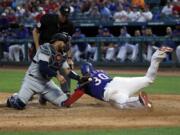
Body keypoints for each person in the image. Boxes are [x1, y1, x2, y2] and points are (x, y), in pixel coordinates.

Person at [62, 46, 173, 109]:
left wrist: (66, 103)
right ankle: (156, 55)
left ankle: (139, 101)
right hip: (120, 81)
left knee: (121, 105)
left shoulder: (83, 82)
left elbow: (77, 95)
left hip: (111, 91)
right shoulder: (100, 71)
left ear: (82, 73)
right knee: (148, 79)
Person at [6, 33, 84, 110]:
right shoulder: (46, 48)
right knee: (20, 104)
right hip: (32, 81)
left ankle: (44, 97)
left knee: (66, 103)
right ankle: (14, 97)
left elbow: (68, 71)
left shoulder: (62, 54)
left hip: (46, 84)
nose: (67, 45)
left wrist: (79, 78)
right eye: (65, 42)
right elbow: (43, 68)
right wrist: (57, 76)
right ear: (57, 41)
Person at [32, 4, 75, 96]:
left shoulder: (70, 25)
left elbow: (68, 43)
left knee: (65, 68)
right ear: (59, 12)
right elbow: (35, 31)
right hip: (42, 50)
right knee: (41, 72)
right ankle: (37, 93)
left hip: (56, 53)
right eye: (63, 15)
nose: (64, 17)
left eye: (66, 16)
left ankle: (66, 92)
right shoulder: (47, 18)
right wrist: (37, 47)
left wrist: (69, 58)